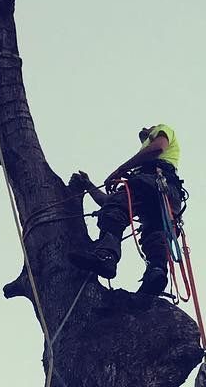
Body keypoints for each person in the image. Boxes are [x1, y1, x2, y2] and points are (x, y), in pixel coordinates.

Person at [70, 124, 186, 296]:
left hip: (154, 181)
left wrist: (121, 170)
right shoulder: (146, 174)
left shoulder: (160, 130)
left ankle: (107, 256)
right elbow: (107, 202)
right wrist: (88, 185)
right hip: (166, 193)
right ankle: (156, 273)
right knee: (154, 233)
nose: (145, 127)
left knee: (116, 210)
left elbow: (158, 147)